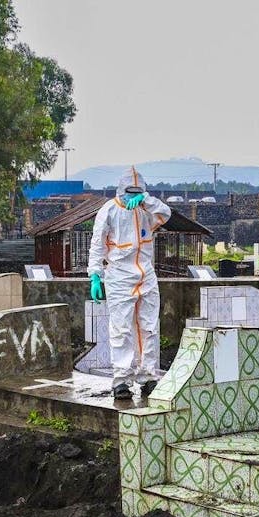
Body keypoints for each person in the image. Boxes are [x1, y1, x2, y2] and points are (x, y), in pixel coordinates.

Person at [86, 167, 171, 400]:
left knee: (149, 327)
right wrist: (95, 275)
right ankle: (121, 380)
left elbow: (166, 214)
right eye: (130, 191)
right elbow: (97, 244)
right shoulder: (109, 210)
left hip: (146, 274)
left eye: (138, 191)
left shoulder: (147, 210)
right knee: (122, 329)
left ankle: (148, 376)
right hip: (119, 276)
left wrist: (146, 201)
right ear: (121, 190)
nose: (132, 195)